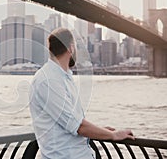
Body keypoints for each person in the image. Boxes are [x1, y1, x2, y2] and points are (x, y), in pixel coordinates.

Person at [29, 28, 134, 159]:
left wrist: (101, 130)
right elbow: (77, 126)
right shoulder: (49, 81)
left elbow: (70, 122)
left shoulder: (62, 78)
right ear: (71, 48)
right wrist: (114, 135)